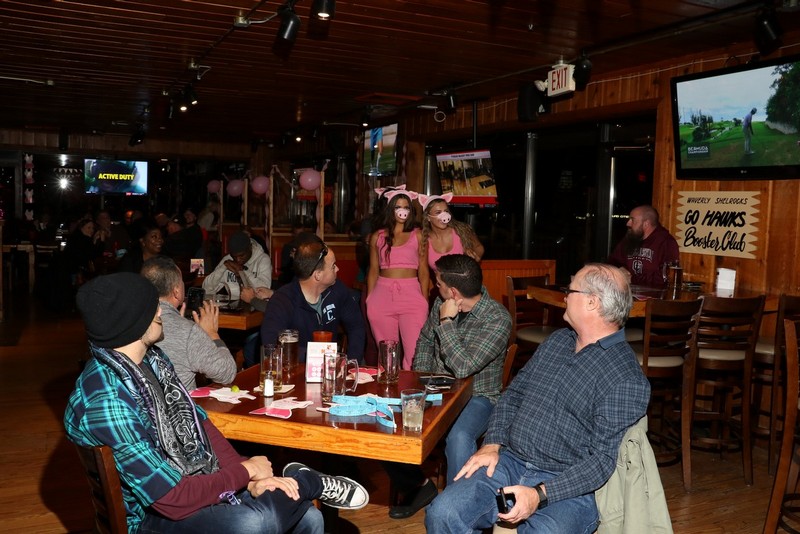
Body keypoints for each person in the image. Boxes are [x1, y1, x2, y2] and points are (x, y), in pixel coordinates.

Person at [65, 272, 369, 533]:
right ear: (129, 322)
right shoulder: (106, 398)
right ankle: (308, 481)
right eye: (149, 307)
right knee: (253, 524)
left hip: (192, 480)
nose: (160, 310)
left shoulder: (152, 362)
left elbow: (200, 422)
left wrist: (249, 477)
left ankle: (298, 487)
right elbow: (172, 498)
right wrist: (246, 472)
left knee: (309, 516)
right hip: (149, 518)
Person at [425, 263, 650, 533]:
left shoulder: (624, 376)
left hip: (566, 487)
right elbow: (514, 394)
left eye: (570, 291)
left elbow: (601, 462)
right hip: (510, 461)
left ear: (592, 302)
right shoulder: (558, 341)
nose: (565, 297)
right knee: (443, 512)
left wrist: (540, 494)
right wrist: (493, 442)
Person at [384, 253, 511, 520]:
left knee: (459, 436)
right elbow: (425, 342)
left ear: (453, 292)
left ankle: (457, 512)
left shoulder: (497, 319)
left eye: (439, 283)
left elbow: (463, 367)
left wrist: (446, 322)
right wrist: (421, 379)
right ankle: (418, 486)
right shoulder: (441, 303)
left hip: (478, 396)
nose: (435, 286)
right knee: (387, 422)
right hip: (435, 388)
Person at [259, 234, 366, 367]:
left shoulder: (337, 289)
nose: (338, 269)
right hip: (294, 370)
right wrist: (317, 356)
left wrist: (351, 364)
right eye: (333, 266)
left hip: (329, 371)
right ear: (318, 275)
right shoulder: (282, 300)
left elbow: (356, 326)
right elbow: (271, 346)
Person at [141, 256, 237, 391]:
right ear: (176, 291)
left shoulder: (128, 320)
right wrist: (212, 334)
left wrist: (180, 322)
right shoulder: (188, 332)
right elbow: (227, 373)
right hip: (178, 404)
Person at [366, 186, 429, 369]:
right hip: (382, 295)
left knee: (414, 353)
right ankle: (389, 385)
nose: (403, 211)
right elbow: (373, 270)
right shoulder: (378, 236)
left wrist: (424, 300)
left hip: (412, 295)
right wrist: (370, 299)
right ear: (390, 209)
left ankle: (411, 387)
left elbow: (423, 270)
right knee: (387, 354)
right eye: (398, 207)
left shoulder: (418, 235)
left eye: (406, 207)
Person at [608, 205, 679, 288]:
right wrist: (619, 270)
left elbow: (666, 277)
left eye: (632, 220)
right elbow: (612, 262)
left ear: (646, 224)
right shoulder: (630, 239)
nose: (628, 223)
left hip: (655, 295)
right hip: (628, 292)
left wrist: (633, 279)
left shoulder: (666, 242)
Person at [203, 230, 272, 300]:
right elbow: (206, 290)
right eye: (234, 256)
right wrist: (222, 268)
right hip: (232, 304)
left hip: (255, 303)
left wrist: (242, 271)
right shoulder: (228, 260)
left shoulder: (263, 259)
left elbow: (264, 292)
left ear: (250, 247)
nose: (238, 260)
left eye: (242, 255)